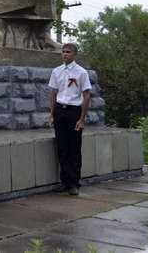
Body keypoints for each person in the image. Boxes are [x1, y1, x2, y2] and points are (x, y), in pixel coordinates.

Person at [48, 43, 91, 195]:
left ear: (74, 54)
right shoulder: (56, 71)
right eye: (63, 51)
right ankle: (64, 182)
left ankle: (74, 183)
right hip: (60, 110)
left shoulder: (81, 73)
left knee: (74, 148)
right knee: (62, 147)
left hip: (74, 111)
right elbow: (53, 93)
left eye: (68, 52)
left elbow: (86, 96)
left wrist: (82, 118)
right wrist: (52, 114)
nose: (65, 54)